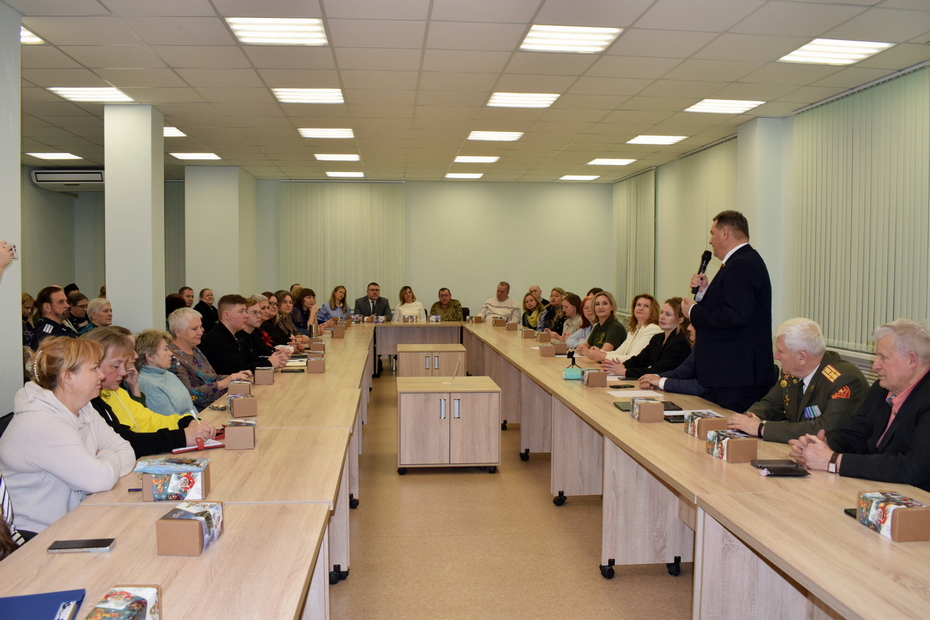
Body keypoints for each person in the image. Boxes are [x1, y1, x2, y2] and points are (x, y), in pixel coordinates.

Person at [0, 337, 134, 537]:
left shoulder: (84, 407)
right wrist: (108, 455)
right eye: (94, 368)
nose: (101, 375)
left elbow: (127, 451)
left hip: (74, 521)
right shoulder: (43, 423)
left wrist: (102, 459)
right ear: (68, 377)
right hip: (35, 535)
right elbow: (98, 480)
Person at [790, 320, 930, 491]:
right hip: (881, 490)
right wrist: (821, 444)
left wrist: (834, 460)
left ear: (911, 360)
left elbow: (914, 467)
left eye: (883, 357)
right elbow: (856, 435)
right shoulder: (881, 390)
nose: (875, 365)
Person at [681, 210, 775, 412]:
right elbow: (731, 307)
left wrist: (693, 312)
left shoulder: (742, 264)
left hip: (737, 374)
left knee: (734, 428)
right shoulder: (738, 262)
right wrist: (704, 292)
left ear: (725, 232)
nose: (710, 241)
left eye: (712, 233)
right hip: (732, 374)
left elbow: (736, 316)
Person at [727, 318, 868, 442]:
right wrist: (748, 419)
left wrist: (761, 428)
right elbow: (769, 405)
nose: (775, 356)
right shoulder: (793, 373)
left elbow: (824, 430)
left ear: (802, 357)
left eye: (781, 351)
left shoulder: (844, 380)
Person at [83, 327, 214, 457]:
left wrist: (187, 421)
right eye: (116, 366)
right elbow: (126, 439)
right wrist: (182, 436)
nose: (123, 372)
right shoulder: (92, 402)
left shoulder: (117, 392)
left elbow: (148, 419)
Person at [167, 308, 252, 410]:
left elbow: (211, 378)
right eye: (194, 329)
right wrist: (222, 384)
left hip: (216, 404)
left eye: (200, 327)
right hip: (200, 412)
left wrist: (235, 377)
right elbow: (188, 396)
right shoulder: (171, 358)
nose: (201, 332)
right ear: (178, 332)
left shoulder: (195, 350)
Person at [602, 297, 691, 378]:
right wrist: (621, 366)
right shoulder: (657, 338)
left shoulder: (681, 342)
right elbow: (639, 360)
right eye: (662, 312)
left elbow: (660, 370)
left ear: (681, 320)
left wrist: (625, 371)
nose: (662, 317)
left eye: (668, 314)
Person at [201, 294, 285, 374]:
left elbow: (252, 358)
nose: (246, 315)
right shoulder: (217, 338)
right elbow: (236, 369)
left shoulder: (236, 335)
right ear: (227, 315)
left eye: (245, 311)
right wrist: (269, 363)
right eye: (241, 312)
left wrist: (276, 359)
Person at [137, 329, 205, 417]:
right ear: (150, 356)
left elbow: (190, 407)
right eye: (165, 349)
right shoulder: (146, 383)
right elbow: (169, 418)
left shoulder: (169, 374)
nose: (171, 353)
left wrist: (200, 420)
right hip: (183, 425)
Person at [638, 324, 712, 398]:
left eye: (693, 325)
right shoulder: (698, 347)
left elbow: (701, 387)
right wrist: (654, 377)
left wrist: (661, 382)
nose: (688, 328)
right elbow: (680, 373)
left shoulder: (712, 350)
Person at [603, 294, 662, 363]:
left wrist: (603, 356)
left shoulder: (652, 329)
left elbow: (633, 358)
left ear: (653, 311)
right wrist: (599, 353)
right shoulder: (634, 330)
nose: (641, 308)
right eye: (638, 305)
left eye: (646, 306)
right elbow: (619, 353)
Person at [241, 298, 288, 370]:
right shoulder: (239, 336)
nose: (259, 316)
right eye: (254, 312)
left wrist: (278, 355)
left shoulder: (253, 332)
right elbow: (241, 366)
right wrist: (270, 362)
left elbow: (259, 353)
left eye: (259, 312)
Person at [576, 291, 627, 357]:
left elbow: (602, 354)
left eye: (605, 304)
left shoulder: (616, 327)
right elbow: (586, 345)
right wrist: (581, 348)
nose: (600, 307)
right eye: (597, 304)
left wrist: (587, 352)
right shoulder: (597, 326)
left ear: (612, 307)